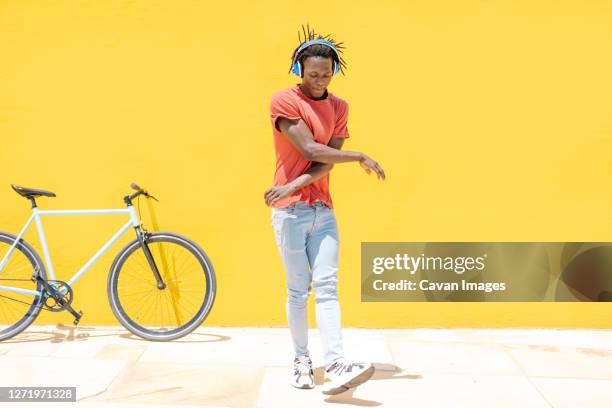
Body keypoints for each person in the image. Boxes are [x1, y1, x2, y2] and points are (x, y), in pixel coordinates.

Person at [265, 25, 386, 395]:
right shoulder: (284, 101)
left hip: (321, 209)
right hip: (289, 212)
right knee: (298, 291)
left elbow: (326, 163)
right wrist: (360, 155)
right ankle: (302, 359)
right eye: (313, 73)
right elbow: (310, 150)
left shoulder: (339, 107)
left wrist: (297, 183)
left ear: (335, 71)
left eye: (326, 73)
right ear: (299, 70)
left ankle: (335, 363)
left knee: (329, 287)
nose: (319, 80)